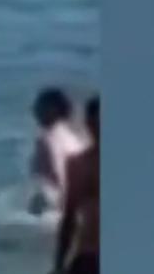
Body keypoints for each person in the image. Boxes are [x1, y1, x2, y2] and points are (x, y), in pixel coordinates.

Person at [54, 96, 99, 274]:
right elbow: (69, 217)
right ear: (88, 123)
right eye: (95, 122)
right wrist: (59, 263)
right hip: (89, 254)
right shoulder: (78, 164)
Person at [29, 88, 87, 215]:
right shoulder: (66, 135)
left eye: (38, 107)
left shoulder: (52, 138)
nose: (34, 111)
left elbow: (62, 169)